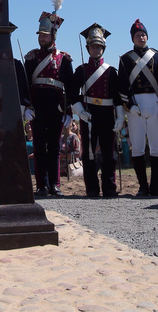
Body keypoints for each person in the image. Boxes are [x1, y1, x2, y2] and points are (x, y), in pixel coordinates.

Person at [69, 23, 124, 198]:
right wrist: (79, 110)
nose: (96, 50)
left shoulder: (111, 72)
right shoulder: (81, 71)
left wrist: (120, 116)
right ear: (88, 48)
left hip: (107, 114)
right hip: (89, 114)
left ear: (103, 48)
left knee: (109, 152)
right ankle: (91, 188)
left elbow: (117, 96)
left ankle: (109, 187)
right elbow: (72, 93)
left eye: (99, 47)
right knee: (89, 153)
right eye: (93, 47)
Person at [23, 10, 74, 196]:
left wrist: (68, 110)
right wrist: (26, 107)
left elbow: (70, 87)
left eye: (45, 35)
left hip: (56, 107)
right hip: (37, 108)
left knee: (54, 147)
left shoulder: (64, 59)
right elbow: (25, 85)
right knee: (38, 147)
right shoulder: (31, 58)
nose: (41, 38)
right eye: (40, 35)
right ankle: (41, 185)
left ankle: (55, 184)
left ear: (53, 36)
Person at [118, 19, 158, 197]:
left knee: (157, 147)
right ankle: (143, 186)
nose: (141, 37)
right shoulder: (125, 59)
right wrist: (130, 105)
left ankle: (155, 186)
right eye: (137, 35)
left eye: (143, 34)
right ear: (132, 38)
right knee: (138, 148)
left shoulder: (157, 57)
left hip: (155, 103)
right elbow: (122, 86)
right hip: (136, 106)